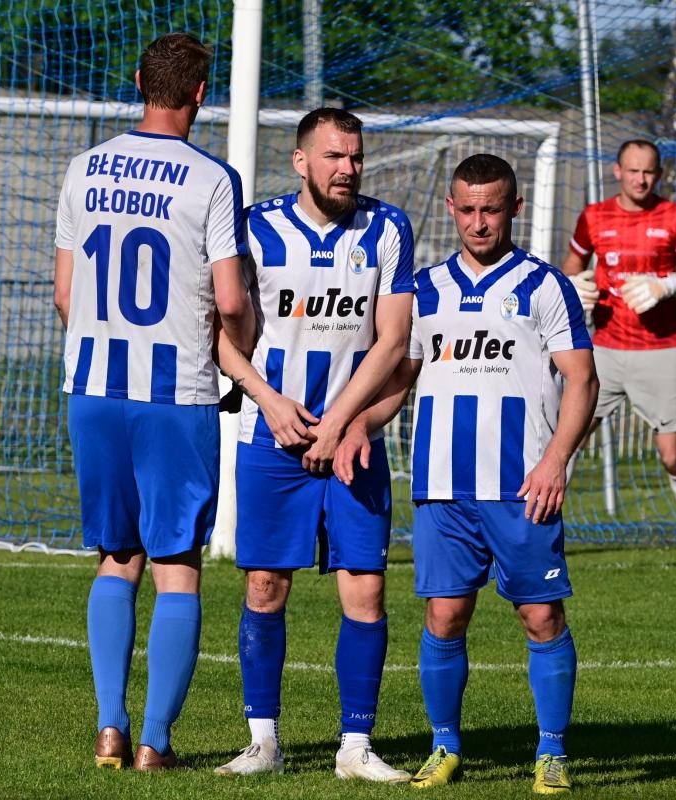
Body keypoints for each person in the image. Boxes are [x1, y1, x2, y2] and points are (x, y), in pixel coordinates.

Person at [335, 154, 598, 793]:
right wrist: (359, 424)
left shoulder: (545, 286)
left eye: (492, 209)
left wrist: (556, 461)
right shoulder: (424, 290)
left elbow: (583, 380)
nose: (480, 223)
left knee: (541, 618)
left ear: (515, 208)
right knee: (445, 617)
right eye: (469, 210)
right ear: (451, 208)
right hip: (443, 487)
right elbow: (400, 379)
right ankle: (445, 746)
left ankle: (552, 752)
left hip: (522, 486)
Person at [52, 32, 254, 771]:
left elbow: (64, 295)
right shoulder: (212, 179)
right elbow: (229, 299)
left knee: (117, 556)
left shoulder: (84, 168)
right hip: (174, 393)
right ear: (201, 93)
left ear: (138, 80)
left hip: (93, 387)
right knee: (177, 563)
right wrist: (241, 355)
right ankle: (155, 742)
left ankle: (109, 725)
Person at [212, 107, 415, 782]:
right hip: (270, 437)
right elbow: (219, 334)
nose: (347, 169)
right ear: (301, 161)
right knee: (265, 585)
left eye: (355, 157)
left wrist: (343, 424)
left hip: (354, 443)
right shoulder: (255, 228)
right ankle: (263, 742)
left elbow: (393, 339)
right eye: (333, 156)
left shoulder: (388, 228)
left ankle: (355, 747)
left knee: (366, 592)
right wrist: (268, 401)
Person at [561, 139, 676, 571]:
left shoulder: (674, 216)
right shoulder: (594, 216)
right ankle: (539, 535)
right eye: (633, 171)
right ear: (617, 172)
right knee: (567, 440)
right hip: (604, 349)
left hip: (661, 349)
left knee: (672, 455)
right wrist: (575, 284)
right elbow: (570, 266)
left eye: (648, 172)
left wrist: (669, 284)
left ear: (658, 175)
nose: (640, 180)